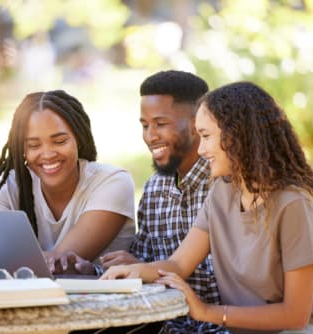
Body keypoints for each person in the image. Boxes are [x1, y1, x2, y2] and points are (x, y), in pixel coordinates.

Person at [103, 82, 313, 334]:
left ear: (237, 136)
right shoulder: (221, 193)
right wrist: (133, 272)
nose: (201, 150)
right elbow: (179, 265)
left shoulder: (295, 204)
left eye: (206, 136)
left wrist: (207, 312)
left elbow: (295, 315)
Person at [0, 90, 136, 276]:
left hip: (105, 314)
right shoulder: (15, 184)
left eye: (59, 141)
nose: (48, 154)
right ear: (21, 150)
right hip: (39, 311)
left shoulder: (112, 182)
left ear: (78, 138)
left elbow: (60, 261)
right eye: (33, 145)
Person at [99, 70, 223, 333]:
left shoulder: (225, 184)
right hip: (167, 326)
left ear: (195, 123)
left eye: (160, 123)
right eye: (145, 125)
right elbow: (144, 263)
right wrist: (120, 266)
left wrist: (149, 270)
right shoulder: (155, 188)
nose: (150, 136)